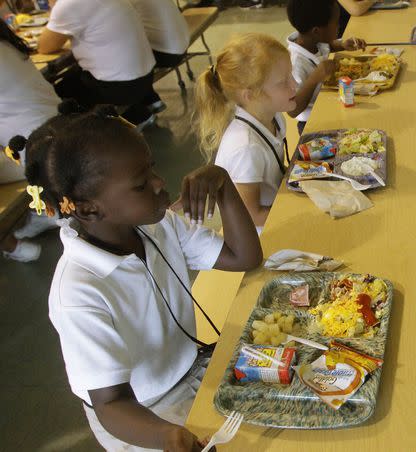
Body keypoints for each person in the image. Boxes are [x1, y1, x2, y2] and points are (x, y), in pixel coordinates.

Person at [23, 102, 262, 451]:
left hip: (193, 371)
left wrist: (223, 184)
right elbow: (110, 404)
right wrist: (166, 434)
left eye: (151, 166)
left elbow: (245, 257)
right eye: (140, 183)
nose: (159, 181)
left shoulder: (158, 224)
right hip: (146, 415)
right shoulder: (78, 293)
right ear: (89, 208)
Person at [194, 33, 297, 233]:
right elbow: (252, 216)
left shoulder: (274, 117)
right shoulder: (247, 148)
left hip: (278, 210)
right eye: (283, 81)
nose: (295, 84)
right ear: (250, 95)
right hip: (263, 235)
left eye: (291, 75)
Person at [38, 0, 159, 129]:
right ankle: (141, 115)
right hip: (145, 78)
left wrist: (54, 7)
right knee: (76, 74)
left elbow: (44, 47)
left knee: (56, 94)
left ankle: (86, 140)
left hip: (123, 88)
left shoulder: (67, 4)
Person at [0, 20, 59, 262]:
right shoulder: (7, 42)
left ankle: (10, 244)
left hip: (34, 150)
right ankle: (45, 209)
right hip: (60, 129)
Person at [286, 0, 366, 135]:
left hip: (329, 105)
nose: (339, 26)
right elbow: (292, 110)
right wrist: (314, 78)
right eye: (336, 22)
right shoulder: (295, 63)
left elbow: (325, 47)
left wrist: (341, 45)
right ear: (316, 31)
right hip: (313, 123)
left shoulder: (313, 41)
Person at [129, 0, 191, 113]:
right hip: (183, 42)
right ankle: (151, 100)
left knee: (125, 54)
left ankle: (141, 109)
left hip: (167, 52)